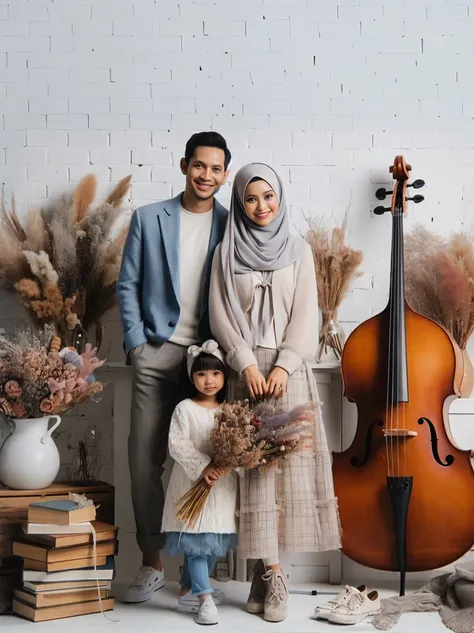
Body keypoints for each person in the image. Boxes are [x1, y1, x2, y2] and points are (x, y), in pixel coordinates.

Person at [209, 163, 341, 623]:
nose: (261, 206)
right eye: (251, 198)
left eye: (269, 197)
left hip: (289, 373)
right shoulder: (226, 251)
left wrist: (284, 364)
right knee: (255, 474)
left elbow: (307, 312)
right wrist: (245, 363)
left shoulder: (299, 250)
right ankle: (274, 573)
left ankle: (265, 577)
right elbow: (220, 314)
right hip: (246, 375)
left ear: (280, 197)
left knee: (285, 473)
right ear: (240, 203)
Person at [117, 132, 231, 603]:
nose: (207, 175)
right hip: (157, 352)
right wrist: (136, 346)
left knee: (207, 460)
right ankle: (151, 562)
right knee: (145, 459)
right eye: (199, 165)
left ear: (225, 173)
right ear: (184, 164)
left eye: (216, 169)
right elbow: (127, 284)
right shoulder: (148, 217)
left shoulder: (233, 223)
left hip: (211, 360)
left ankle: (197, 569)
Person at [161, 340, 237, 626]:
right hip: (192, 483)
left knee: (211, 538)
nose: (209, 380)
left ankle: (186, 587)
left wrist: (229, 464)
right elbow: (177, 445)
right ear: (192, 377)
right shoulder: (185, 409)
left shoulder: (228, 411)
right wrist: (204, 466)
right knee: (196, 542)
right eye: (202, 374)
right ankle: (204, 597)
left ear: (224, 377)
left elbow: (237, 448)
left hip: (220, 488)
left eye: (216, 374)